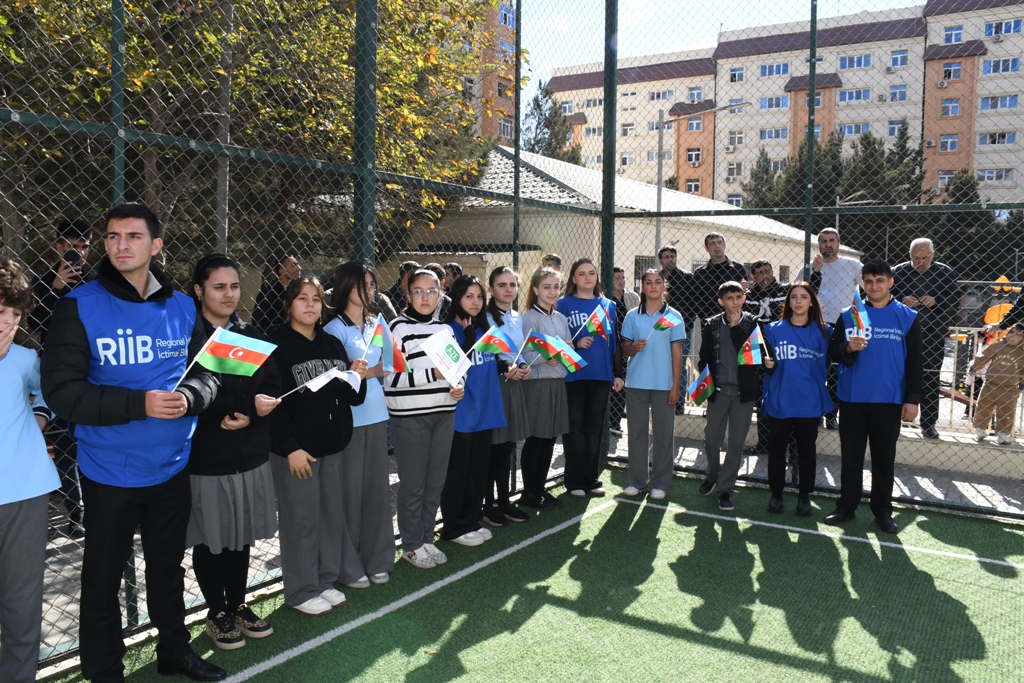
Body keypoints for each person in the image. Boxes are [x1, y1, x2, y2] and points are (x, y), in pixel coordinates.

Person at [41, 203, 224, 683]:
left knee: (167, 567)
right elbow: (63, 393)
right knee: (101, 581)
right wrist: (140, 404)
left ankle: (174, 652)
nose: (120, 245)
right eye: (112, 236)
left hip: (172, 466)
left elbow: (208, 376)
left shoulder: (184, 306)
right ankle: (104, 672)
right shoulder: (77, 305)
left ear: (156, 245)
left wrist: (189, 397)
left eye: (133, 237)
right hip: (109, 472)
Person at [186, 254, 281, 649]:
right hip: (208, 459)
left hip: (249, 455)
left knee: (240, 536)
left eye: (234, 286)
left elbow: (271, 388)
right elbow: (193, 392)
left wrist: (252, 415)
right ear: (199, 290)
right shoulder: (187, 337)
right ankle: (216, 612)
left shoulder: (251, 336)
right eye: (219, 287)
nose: (228, 294)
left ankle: (238, 605)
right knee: (213, 538)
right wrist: (233, 407)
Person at [269, 275, 368, 615]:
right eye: (302, 298)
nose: (310, 304)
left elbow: (351, 398)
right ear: (288, 305)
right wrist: (289, 447)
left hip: (333, 446)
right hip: (300, 452)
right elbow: (272, 406)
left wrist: (357, 375)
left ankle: (323, 579)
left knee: (328, 516)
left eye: (315, 298)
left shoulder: (331, 344)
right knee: (302, 520)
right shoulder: (276, 346)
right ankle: (300, 590)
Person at [825, 260, 922, 534]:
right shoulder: (849, 314)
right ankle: (846, 506)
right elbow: (834, 352)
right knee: (851, 458)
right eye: (868, 281)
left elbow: (915, 361)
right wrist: (848, 347)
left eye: (880, 281)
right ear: (862, 283)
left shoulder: (907, 316)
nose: (874, 286)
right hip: (853, 398)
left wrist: (912, 398)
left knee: (883, 459)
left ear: (891, 282)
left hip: (889, 400)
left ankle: (882, 511)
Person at [0, 257, 60, 683]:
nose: (8, 322)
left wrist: (38, 420)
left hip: (26, 491)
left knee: (22, 604)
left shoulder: (25, 358)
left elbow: (47, 395)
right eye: (0, 310)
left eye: (15, 313)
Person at [385, 269, 464, 569]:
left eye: (432, 291)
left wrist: (459, 387)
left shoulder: (444, 331)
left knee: (435, 483)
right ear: (407, 295)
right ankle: (411, 544)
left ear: (441, 294)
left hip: (444, 414)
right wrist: (433, 374)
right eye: (418, 291)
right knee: (413, 484)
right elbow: (390, 381)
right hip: (410, 418)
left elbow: (458, 371)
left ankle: (427, 538)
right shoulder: (397, 329)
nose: (426, 297)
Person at [324, 261, 396, 588]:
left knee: (377, 494)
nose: (369, 290)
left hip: (378, 416)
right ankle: (348, 566)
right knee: (349, 495)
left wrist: (369, 371)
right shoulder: (333, 329)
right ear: (344, 288)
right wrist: (363, 371)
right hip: (348, 422)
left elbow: (392, 365)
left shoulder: (378, 322)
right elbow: (336, 379)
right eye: (362, 284)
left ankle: (379, 560)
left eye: (371, 284)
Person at [29, 218, 92, 535]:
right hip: (57, 373)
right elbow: (35, 322)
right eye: (71, 246)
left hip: (92, 372)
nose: (78, 253)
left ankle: (97, 511)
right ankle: (75, 515)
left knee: (92, 444)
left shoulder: (95, 282)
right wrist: (54, 288)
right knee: (66, 448)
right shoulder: (42, 282)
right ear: (58, 247)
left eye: (83, 246)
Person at [441, 275, 506, 546]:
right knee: (458, 471)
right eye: (469, 296)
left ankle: (471, 518)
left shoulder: (485, 328)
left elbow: (492, 362)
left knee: (478, 470)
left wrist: (508, 367)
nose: (475, 302)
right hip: (462, 411)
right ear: (456, 298)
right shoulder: (446, 331)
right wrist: (467, 338)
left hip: (486, 408)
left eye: (479, 296)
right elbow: (452, 369)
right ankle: (453, 526)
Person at [761, 283, 833, 516]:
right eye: (794, 297)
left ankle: (804, 497)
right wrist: (766, 364)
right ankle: (777, 495)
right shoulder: (772, 330)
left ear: (812, 301)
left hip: (809, 402)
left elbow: (844, 353)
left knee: (806, 452)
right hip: (780, 401)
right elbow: (761, 361)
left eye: (804, 297)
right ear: (788, 302)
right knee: (777, 451)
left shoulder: (824, 332)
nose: (799, 301)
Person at [696, 281, 765, 512]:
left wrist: (736, 328)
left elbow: (751, 356)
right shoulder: (711, 324)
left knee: (735, 444)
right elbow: (704, 356)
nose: (734, 302)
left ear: (744, 298)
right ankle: (713, 475)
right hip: (718, 392)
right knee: (711, 439)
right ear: (721, 301)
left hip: (743, 395)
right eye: (729, 298)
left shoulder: (753, 324)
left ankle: (726, 490)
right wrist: (704, 380)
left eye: (738, 297)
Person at [557, 258, 623, 498]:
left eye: (592, 273)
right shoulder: (563, 304)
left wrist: (618, 373)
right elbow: (554, 341)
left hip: (601, 374)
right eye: (582, 273)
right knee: (575, 427)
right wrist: (575, 343)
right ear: (573, 278)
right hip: (573, 374)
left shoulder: (608, 305)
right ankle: (574, 480)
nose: (587, 277)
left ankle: (591, 478)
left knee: (595, 428)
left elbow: (613, 341)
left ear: (597, 277)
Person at [620, 269, 684, 500]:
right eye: (649, 282)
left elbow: (677, 354)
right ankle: (637, 482)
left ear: (664, 287)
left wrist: (676, 386)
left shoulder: (674, 315)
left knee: (663, 435)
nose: (654, 286)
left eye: (658, 282)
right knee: (636, 434)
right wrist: (633, 347)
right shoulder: (631, 316)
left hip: (664, 385)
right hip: (636, 384)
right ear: (643, 287)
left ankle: (660, 483)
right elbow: (624, 349)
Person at [891, 238, 961, 439]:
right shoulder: (898, 272)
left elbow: (955, 297)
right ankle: (894, 420)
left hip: (932, 334)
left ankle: (928, 424)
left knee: (930, 379)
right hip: (901, 335)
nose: (920, 262)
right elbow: (883, 295)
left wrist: (936, 300)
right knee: (897, 377)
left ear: (933, 255)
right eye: (915, 258)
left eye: (924, 258)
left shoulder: (945, 272)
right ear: (909, 255)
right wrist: (901, 300)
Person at [796, 228, 862, 430]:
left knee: (835, 374)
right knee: (815, 372)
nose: (828, 245)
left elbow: (868, 292)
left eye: (831, 240)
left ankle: (832, 415)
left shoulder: (853, 265)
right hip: (816, 327)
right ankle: (813, 412)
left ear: (839, 243)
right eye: (823, 241)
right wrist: (813, 272)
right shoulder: (807, 268)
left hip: (843, 326)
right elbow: (797, 295)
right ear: (818, 245)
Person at [520, 267, 571, 510]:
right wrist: (546, 356)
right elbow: (523, 355)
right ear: (536, 289)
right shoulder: (530, 318)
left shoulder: (561, 319)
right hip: (538, 385)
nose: (552, 292)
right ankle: (529, 493)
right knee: (536, 440)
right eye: (547, 287)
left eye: (556, 287)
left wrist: (569, 351)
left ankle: (539, 489)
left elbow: (566, 353)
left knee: (550, 439)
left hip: (557, 384)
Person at [483, 266, 530, 526]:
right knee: (494, 447)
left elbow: (517, 350)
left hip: (514, 384)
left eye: (512, 284)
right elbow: (487, 354)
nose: (508, 289)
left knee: (508, 445)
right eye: (502, 285)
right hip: (496, 384)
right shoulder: (485, 316)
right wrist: (507, 370)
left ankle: (503, 501)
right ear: (491, 288)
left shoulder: (515, 316)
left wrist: (523, 366)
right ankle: (488, 504)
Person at [742, 259, 788, 456]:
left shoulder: (784, 292)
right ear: (753, 276)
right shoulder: (749, 297)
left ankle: (787, 446)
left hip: (783, 350)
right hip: (758, 352)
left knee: (785, 397)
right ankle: (763, 444)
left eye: (768, 271)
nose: (765, 276)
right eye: (760, 273)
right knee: (762, 400)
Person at [969, 323, 1024, 445]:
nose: (1013, 336)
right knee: (983, 407)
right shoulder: (997, 347)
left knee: (1007, 411)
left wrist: (1022, 385)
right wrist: (975, 367)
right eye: (1011, 332)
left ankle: (1003, 433)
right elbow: (984, 357)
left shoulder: (1021, 354)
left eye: (1018, 335)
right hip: (990, 384)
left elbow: (1023, 371)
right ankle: (980, 429)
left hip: (1009, 388)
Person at [689, 233, 749, 324]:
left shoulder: (738, 269)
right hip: (708, 322)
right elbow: (695, 300)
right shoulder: (700, 273)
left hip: (735, 320)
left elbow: (745, 296)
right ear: (706, 248)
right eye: (712, 243)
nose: (717, 246)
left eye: (719, 242)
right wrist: (707, 319)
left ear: (724, 245)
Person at [609, 266, 640, 435]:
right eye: (617, 278)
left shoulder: (632, 297)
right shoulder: (606, 298)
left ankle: (616, 420)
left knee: (623, 381)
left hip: (627, 345)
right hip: (611, 346)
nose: (621, 280)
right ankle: (609, 419)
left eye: (623, 277)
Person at [251, 253, 301, 334]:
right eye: (293, 265)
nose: (298, 268)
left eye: (298, 265)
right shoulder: (268, 293)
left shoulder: (297, 292)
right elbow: (258, 323)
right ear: (282, 271)